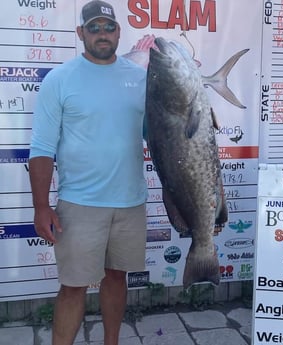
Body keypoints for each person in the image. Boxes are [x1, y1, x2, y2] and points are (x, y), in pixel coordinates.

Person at [28, 1, 147, 344]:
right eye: (93, 28)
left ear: (118, 32)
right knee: (72, 287)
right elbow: (41, 149)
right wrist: (41, 206)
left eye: (108, 28)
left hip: (130, 202)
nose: (102, 34)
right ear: (81, 33)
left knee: (116, 278)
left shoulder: (140, 79)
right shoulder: (60, 80)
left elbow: (162, 134)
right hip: (79, 205)